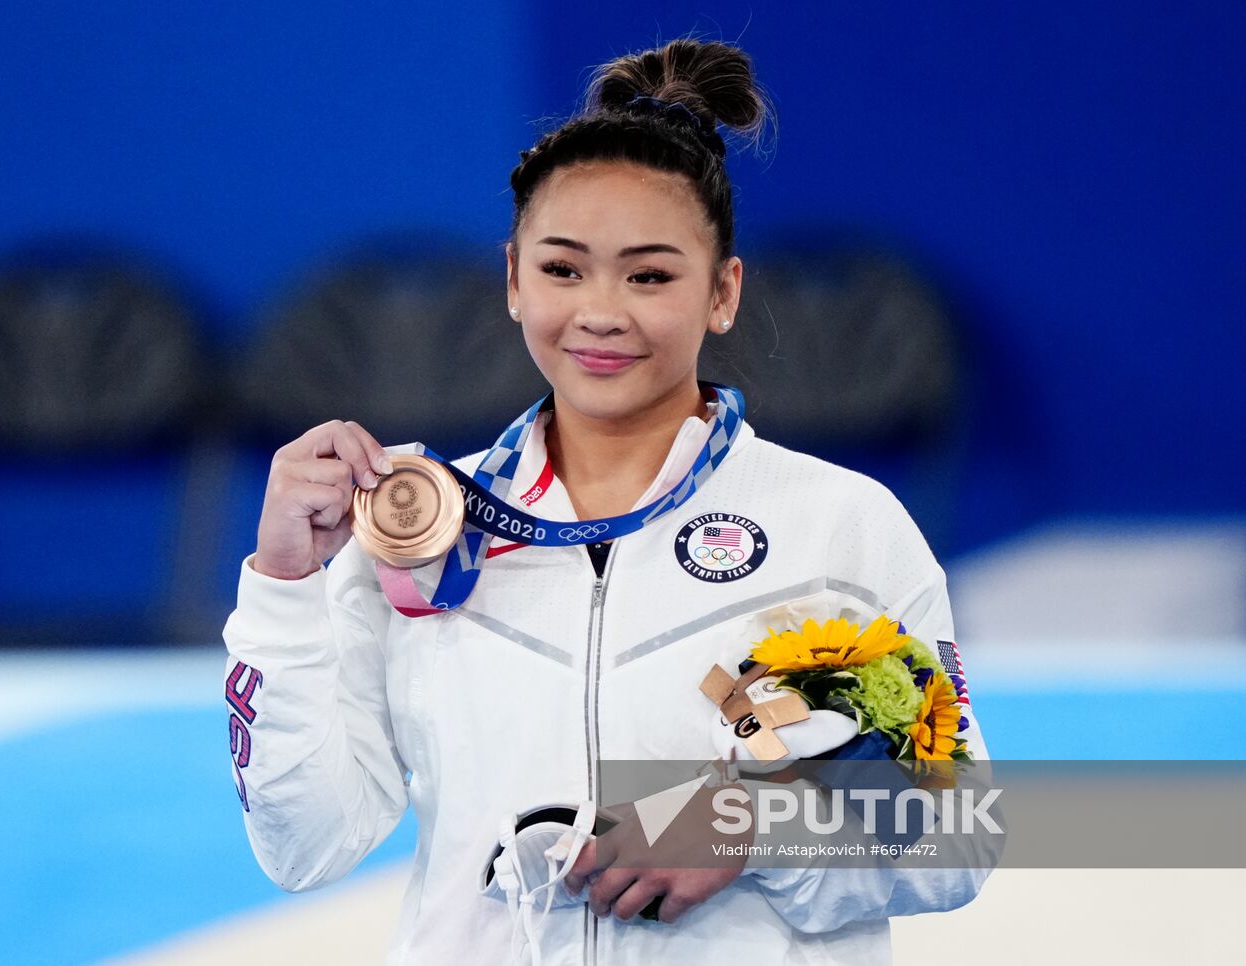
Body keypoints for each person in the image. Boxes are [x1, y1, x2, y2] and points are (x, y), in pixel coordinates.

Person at [223, 37, 993, 965]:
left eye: (651, 275)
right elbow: (301, 845)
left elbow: (957, 834)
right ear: (512, 279)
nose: (600, 311)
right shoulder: (417, 526)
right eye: (562, 269)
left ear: (723, 293)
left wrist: (751, 828)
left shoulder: (838, 522)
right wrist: (283, 587)